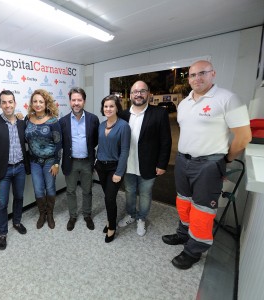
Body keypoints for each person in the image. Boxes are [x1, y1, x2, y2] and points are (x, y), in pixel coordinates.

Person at [162, 60, 252, 269]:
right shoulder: (184, 103)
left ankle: (194, 251)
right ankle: (183, 234)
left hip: (209, 164)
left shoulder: (228, 99)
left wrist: (226, 159)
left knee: (202, 210)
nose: (196, 78)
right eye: (192, 75)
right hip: (183, 161)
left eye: (202, 73)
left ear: (213, 74)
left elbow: (244, 136)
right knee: (183, 202)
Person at [118, 81, 172, 236]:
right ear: (130, 95)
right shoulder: (123, 115)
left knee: (145, 194)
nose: (138, 94)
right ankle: (131, 214)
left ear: (148, 93)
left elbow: (165, 141)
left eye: (142, 91)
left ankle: (141, 218)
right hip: (127, 164)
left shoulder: (159, 113)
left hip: (149, 164)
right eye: (135, 91)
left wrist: (162, 164)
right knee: (129, 191)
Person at [0, 90, 30, 250]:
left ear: (15, 103)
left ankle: (17, 222)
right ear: (0, 104)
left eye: (10, 102)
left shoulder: (22, 122)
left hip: (20, 168)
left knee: (19, 197)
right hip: (2, 173)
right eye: (4, 102)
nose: (7, 105)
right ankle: (2, 233)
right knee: (2, 203)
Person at [59, 87, 99, 231]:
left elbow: (94, 141)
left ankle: (87, 215)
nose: (76, 103)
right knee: (70, 191)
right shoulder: (62, 121)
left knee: (87, 190)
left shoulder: (93, 119)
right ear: (70, 102)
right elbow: (61, 142)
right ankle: (73, 216)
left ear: (84, 101)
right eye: (74, 100)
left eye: (79, 100)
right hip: (71, 162)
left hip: (87, 162)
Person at [95, 95, 130, 243]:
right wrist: (97, 162)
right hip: (101, 166)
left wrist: (119, 172)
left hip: (114, 168)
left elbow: (124, 151)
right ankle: (110, 220)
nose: (108, 109)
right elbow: (101, 146)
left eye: (111, 106)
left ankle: (112, 227)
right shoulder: (101, 125)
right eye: (105, 106)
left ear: (117, 108)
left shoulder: (123, 126)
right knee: (107, 196)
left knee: (110, 198)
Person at [25, 89, 62, 229]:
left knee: (50, 188)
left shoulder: (53, 121)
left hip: (50, 163)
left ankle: (50, 215)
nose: (38, 104)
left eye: (41, 101)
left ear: (46, 103)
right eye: (35, 101)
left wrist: (57, 163)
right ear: (32, 103)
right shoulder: (27, 119)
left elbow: (59, 144)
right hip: (34, 162)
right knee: (38, 189)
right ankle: (42, 214)